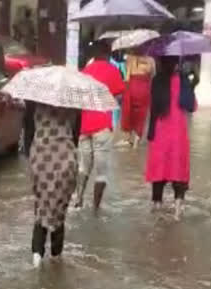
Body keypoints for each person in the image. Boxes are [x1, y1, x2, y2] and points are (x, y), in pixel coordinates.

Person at [27, 102, 79, 267]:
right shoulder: (74, 102)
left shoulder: (34, 101)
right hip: (65, 158)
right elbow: (76, 136)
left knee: (41, 205)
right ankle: (56, 256)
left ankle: (37, 254)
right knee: (59, 206)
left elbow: (28, 131)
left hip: (40, 157)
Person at [76, 41, 125, 210]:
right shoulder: (113, 71)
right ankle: (96, 209)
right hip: (102, 125)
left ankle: (78, 200)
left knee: (83, 167)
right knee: (102, 173)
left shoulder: (85, 72)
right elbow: (118, 98)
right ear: (107, 53)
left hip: (84, 126)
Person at [145, 56, 196, 220]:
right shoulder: (183, 81)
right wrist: (192, 84)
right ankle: (178, 211)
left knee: (159, 174)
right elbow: (191, 106)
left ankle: (157, 207)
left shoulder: (156, 81)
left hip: (159, 134)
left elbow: (153, 108)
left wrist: (150, 134)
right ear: (176, 64)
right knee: (178, 172)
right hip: (178, 136)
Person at [121, 52, 155, 147]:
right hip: (144, 87)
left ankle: (128, 139)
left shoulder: (129, 58)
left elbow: (127, 76)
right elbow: (152, 76)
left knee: (128, 112)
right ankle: (137, 138)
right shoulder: (150, 60)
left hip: (131, 86)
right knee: (142, 113)